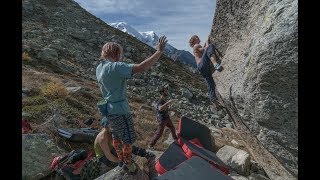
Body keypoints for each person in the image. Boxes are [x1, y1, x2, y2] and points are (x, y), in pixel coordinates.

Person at [95, 36, 167, 173]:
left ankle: (122, 160)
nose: (121, 57)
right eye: (120, 53)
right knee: (127, 140)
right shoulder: (115, 67)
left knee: (116, 136)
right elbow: (141, 67)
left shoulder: (99, 68)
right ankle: (128, 164)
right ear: (116, 53)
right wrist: (159, 52)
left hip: (108, 110)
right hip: (120, 110)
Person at [189, 35, 223, 113]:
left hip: (201, 68)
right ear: (194, 40)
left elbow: (202, 50)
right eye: (197, 37)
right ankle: (215, 64)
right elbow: (205, 49)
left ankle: (215, 104)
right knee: (210, 46)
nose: (199, 38)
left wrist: (206, 42)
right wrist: (207, 42)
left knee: (210, 84)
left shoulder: (195, 47)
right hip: (202, 64)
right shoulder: (196, 45)